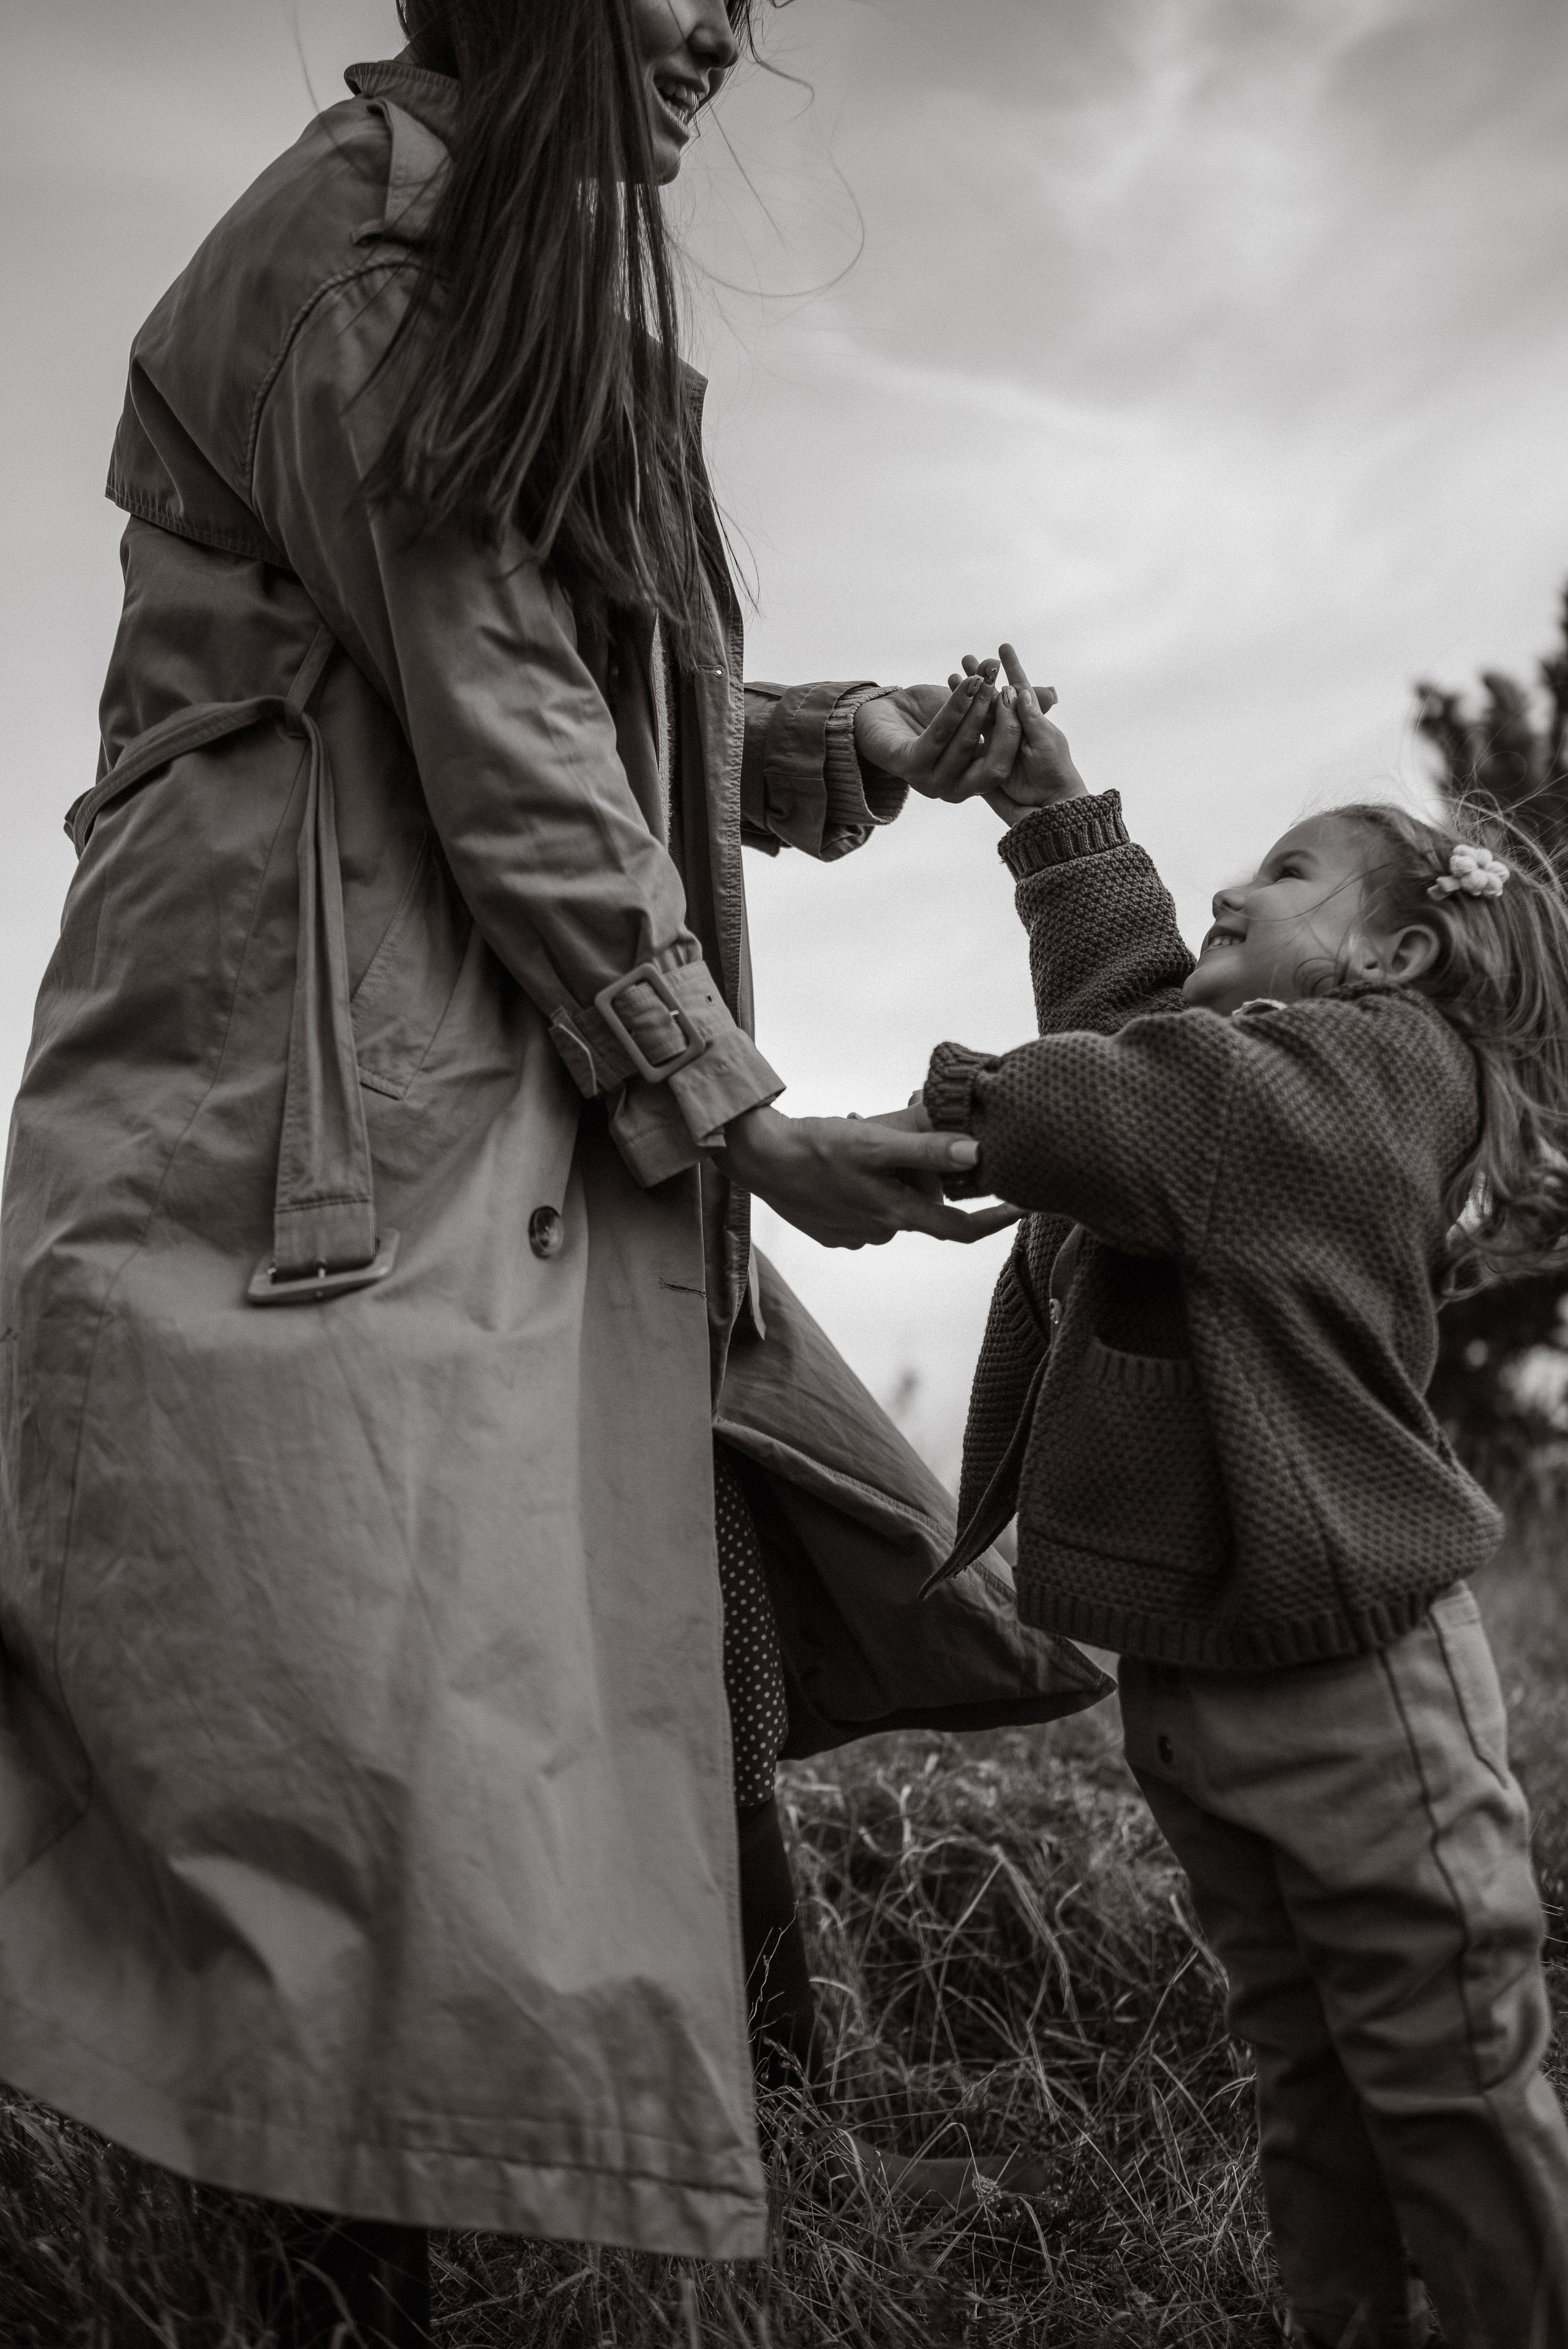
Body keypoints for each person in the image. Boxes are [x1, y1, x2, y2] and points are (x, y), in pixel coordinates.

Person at [0, 12, 1109, 2345]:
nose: (719, 23)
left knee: (638, 1539)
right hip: (316, 1093)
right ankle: (330, 2260)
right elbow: (503, 725)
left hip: (477, 1049)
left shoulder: (511, 247)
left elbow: (574, 700)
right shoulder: (366, 261)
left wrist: (839, 744)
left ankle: (767, 2135)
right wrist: (737, 1110)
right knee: (340, 1654)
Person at [900, 648, 1568, 2347]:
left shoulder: (1384, 1074)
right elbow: (1150, 1041)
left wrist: (964, 1114)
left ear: (1398, 957)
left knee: (1445, 2073)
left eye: (1282, 874)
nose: (1229, 884)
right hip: (1208, 1675)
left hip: (1356, 1693)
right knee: (1307, 2063)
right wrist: (1053, 810)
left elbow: (1157, 1096)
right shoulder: (1252, 1076)